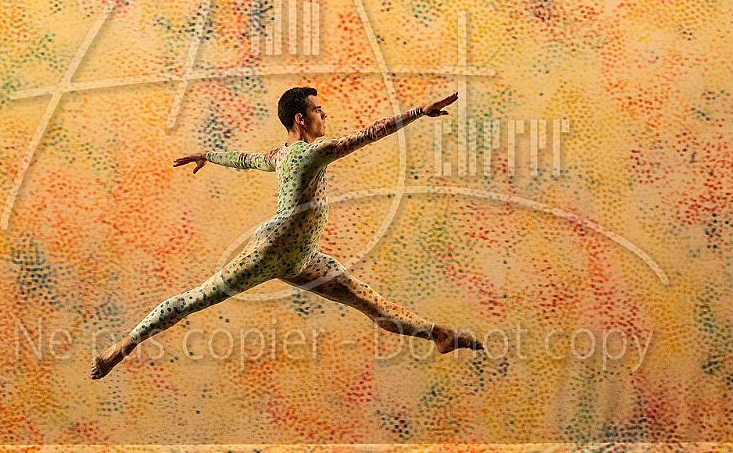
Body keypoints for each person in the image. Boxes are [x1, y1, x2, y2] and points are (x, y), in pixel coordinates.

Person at [90, 87, 484, 379]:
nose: (324, 115)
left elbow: (246, 159)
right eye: (318, 110)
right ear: (301, 118)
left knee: (372, 304)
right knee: (197, 298)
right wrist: (419, 111)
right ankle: (121, 348)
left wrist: (208, 155)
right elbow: (369, 134)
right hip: (272, 251)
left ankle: (440, 334)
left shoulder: (281, 155)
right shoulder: (311, 152)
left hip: (303, 259)